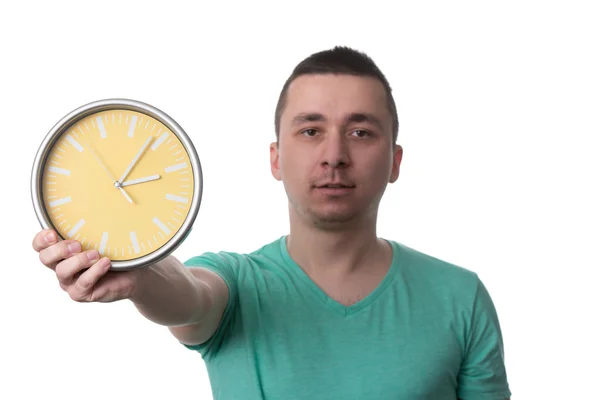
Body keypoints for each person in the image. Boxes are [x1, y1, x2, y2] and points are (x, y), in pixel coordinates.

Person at [32, 46, 511, 400]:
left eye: (361, 132)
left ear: (394, 161)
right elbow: (189, 296)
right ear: (276, 158)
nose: (334, 156)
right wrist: (140, 274)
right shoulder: (235, 284)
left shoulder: (460, 297)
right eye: (310, 130)